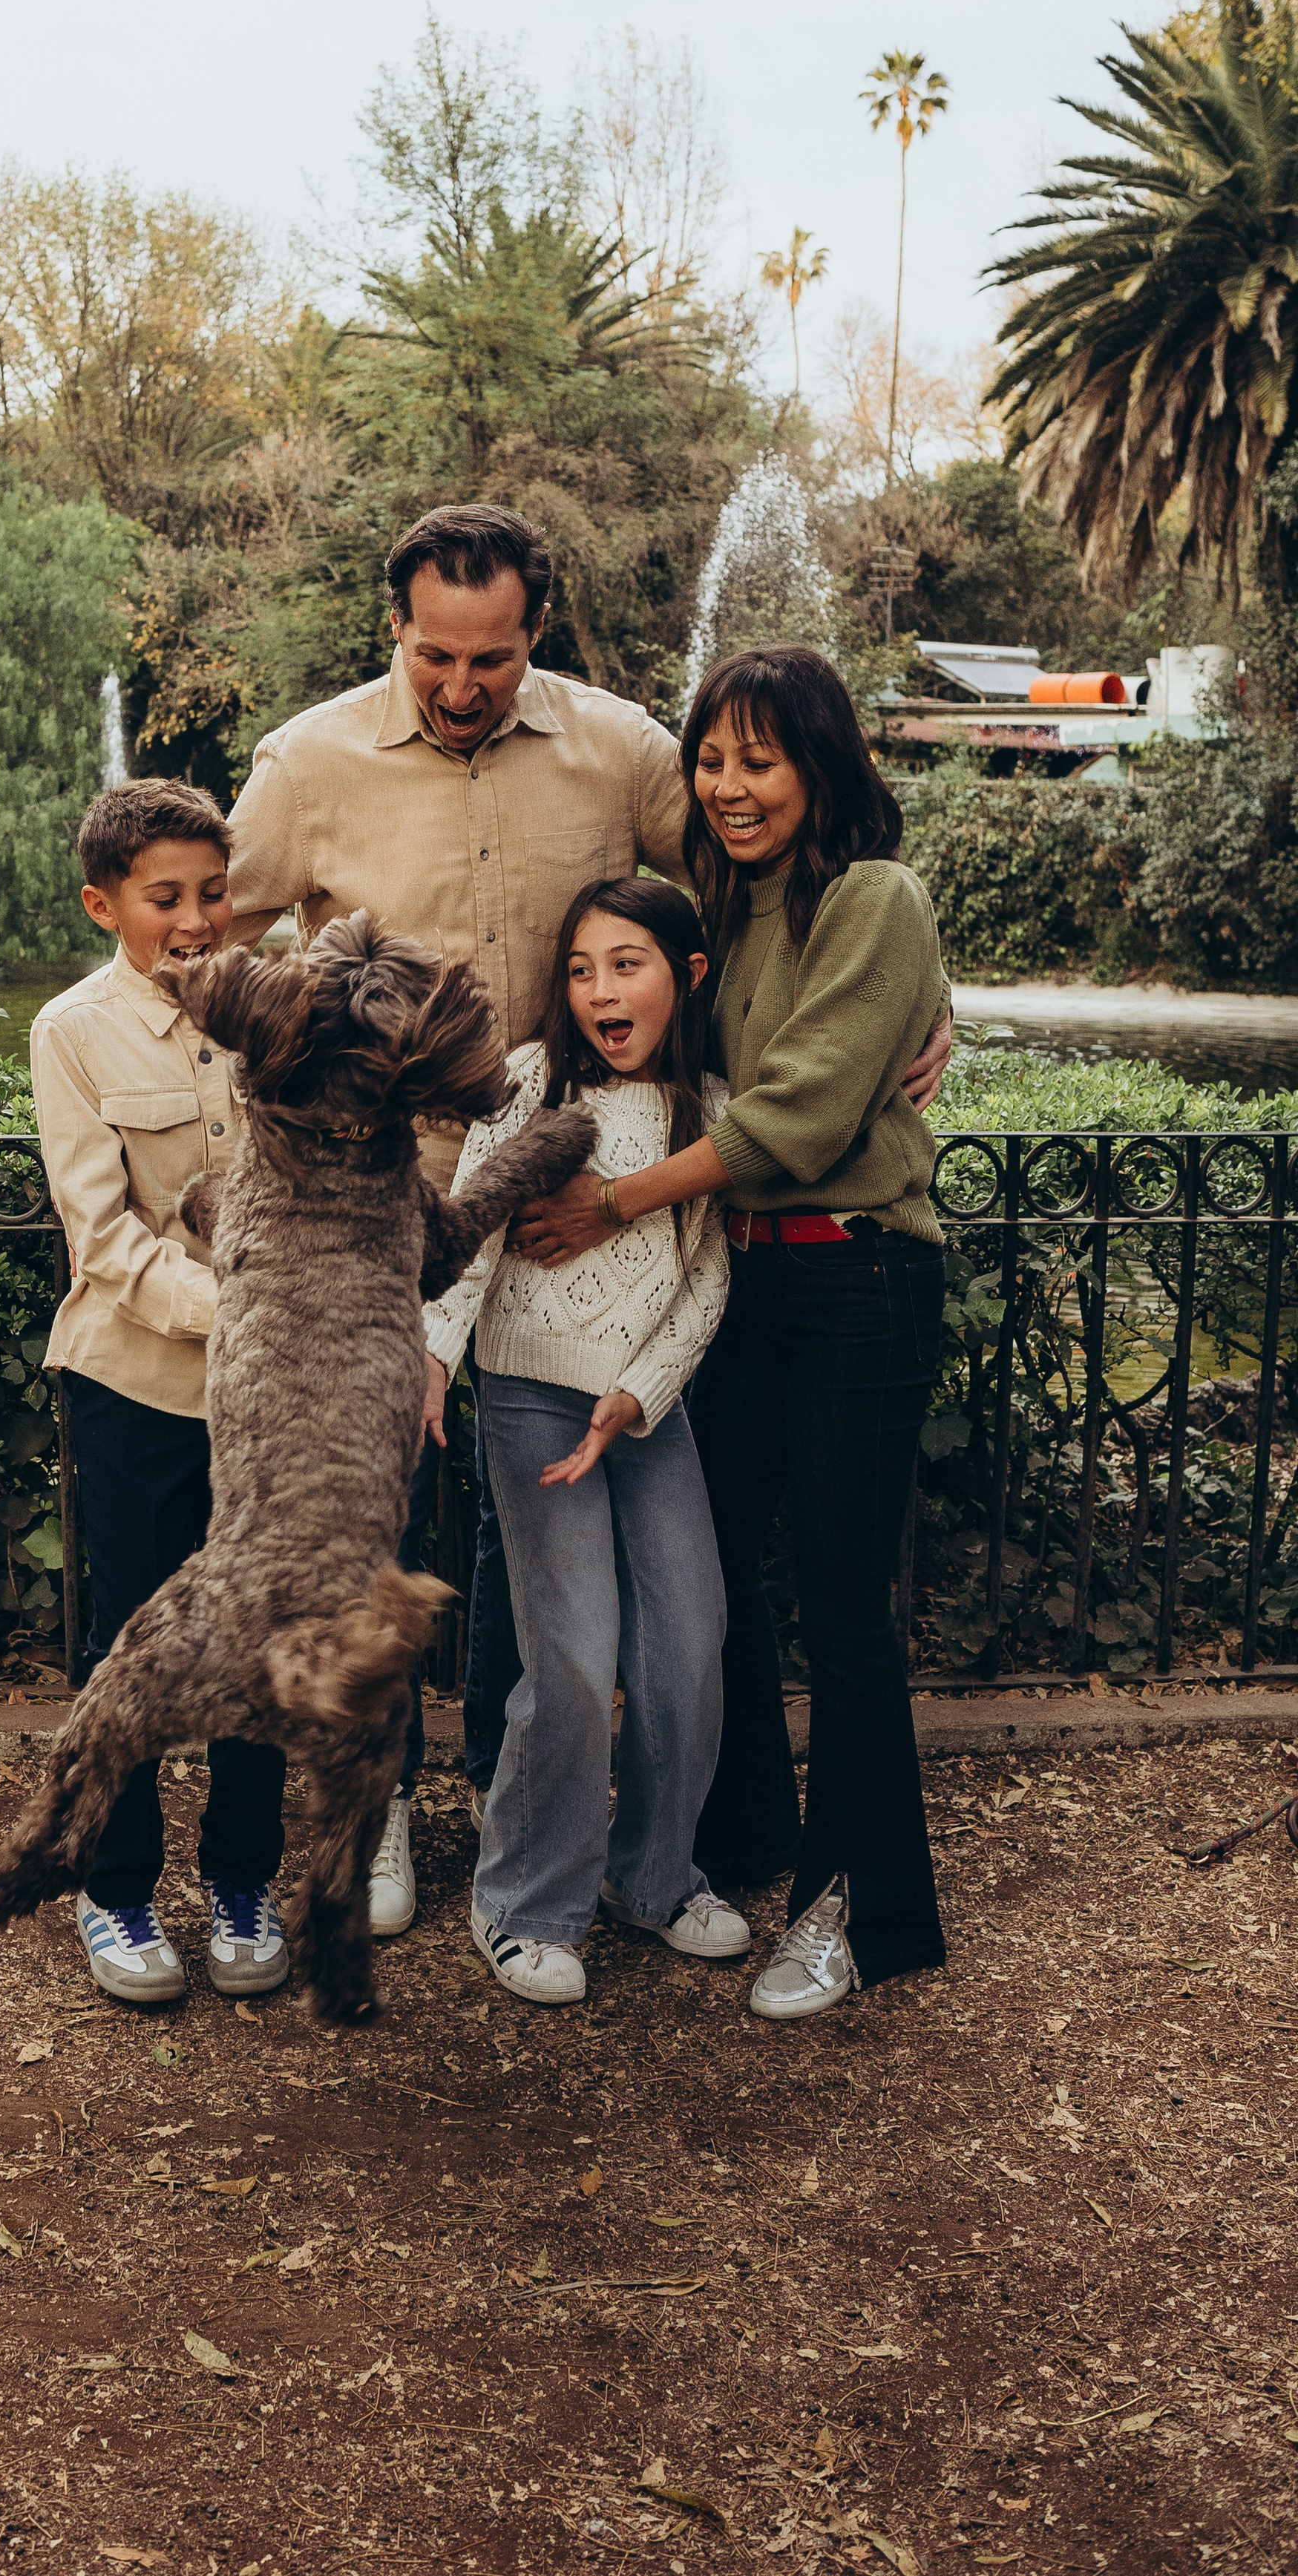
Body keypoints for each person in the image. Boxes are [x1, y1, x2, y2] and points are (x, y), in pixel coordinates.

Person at [225, 502, 951, 1936]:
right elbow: (204, 941)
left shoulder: (624, 747)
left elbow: (771, 879)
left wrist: (925, 1007)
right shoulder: (306, 763)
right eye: (435, 653)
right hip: (379, 1203)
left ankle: (530, 1814)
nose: (460, 684)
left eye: (490, 658)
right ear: (397, 627)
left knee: (529, 1541)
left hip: (578, 1200)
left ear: (533, 634)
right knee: (357, 1522)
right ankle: (374, 1813)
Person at [511, 644, 948, 2017]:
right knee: (721, 1594)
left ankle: (855, 1910)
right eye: (714, 757)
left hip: (857, 1282)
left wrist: (612, 1204)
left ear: (826, 765)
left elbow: (800, 1115)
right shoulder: (734, 907)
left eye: (762, 757)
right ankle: (747, 1842)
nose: (731, 783)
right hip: (749, 1285)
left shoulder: (874, 896)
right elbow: (678, 1056)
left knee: (844, 1614)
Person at [422, 879, 738, 2006]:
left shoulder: (711, 1105)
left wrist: (640, 1395)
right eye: (582, 968)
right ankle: (524, 1901)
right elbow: (468, 1236)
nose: (602, 987)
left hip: (647, 1413)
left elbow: (706, 1280)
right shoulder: (527, 1085)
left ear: (688, 975)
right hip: (530, 1401)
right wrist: (433, 1361)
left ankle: (651, 1878)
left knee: (691, 1637)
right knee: (573, 1652)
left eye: (629, 962)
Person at [30, 778, 288, 2007]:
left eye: (214, 892)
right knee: (131, 1637)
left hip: (269, 1401)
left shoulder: (270, 1008)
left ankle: (244, 1878)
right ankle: (116, 1887)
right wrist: (241, 1310)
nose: (197, 919)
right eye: (166, 897)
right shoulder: (72, 1031)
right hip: (135, 1383)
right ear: (104, 904)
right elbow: (104, 1238)